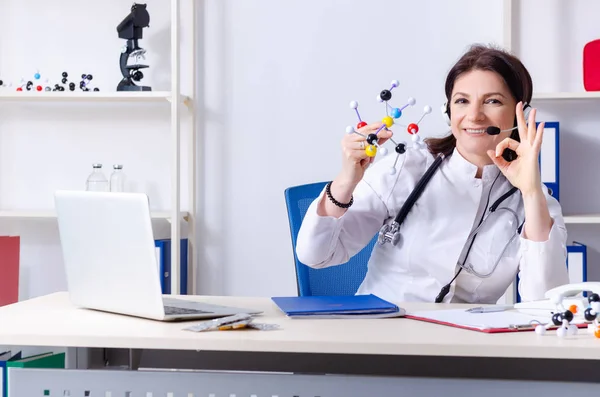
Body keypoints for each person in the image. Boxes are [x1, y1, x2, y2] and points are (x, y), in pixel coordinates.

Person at [295, 43, 569, 304]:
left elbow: (544, 301)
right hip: (383, 335)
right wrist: (346, 180)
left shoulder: (536, 203)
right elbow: (317, 256)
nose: (474, 115)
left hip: (465, 343)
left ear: (524, 113)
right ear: (448, 110)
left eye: (493, 101)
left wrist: (531, 193)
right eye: (462, 101)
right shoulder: (406, 168)